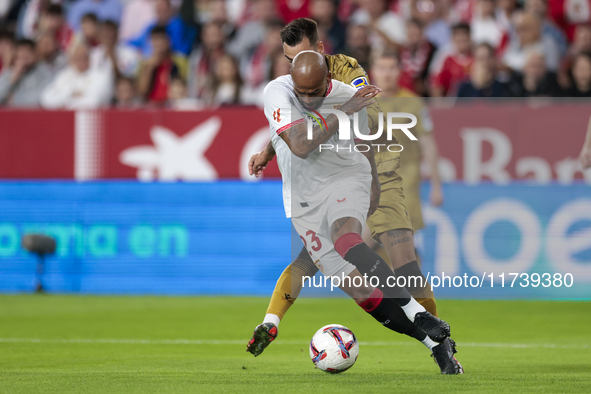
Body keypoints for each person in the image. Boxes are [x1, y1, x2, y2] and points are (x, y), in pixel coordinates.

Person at [246, 19, 459, 371]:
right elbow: (294, 131)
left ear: (320, 50)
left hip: (362, 172)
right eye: (289, 59)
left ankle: (434, 331)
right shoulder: (283, 88)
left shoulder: (349, 79)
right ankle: (430, 338)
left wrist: (375, 181)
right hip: (308, 190)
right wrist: (269, 152)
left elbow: (368, 130)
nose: (296, 66)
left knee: (403, 265)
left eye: (302, 56)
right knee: (352, 286)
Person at [40, 43, 112, 109]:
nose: (80, 61)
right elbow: (46, 99)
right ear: (72, 59)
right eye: (77, 58)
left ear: (89, 58)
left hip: (89, 119)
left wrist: (65, 102)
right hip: (65, 118)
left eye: (84, 57)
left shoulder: (99, 76)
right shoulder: (64, 76)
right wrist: (70, 93)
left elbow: (94, 102)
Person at [136, 26, 188, 104]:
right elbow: (142, 92)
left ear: (168, 41)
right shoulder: (145, 63)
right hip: (151, 106)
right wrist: (150, 68)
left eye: (161, 39)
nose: (159, 43)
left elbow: (184, 87)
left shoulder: (180, 61)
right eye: (155, 40)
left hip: (172, 105)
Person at [128, 0, 197, 57]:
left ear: (170, 10)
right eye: (159, 10)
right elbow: (136, 41)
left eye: (164, 10)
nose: (161, 13)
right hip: (149, 59)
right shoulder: (151, 26)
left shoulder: (178, 26)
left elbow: (182, 50)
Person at [0, 39, 54, 106]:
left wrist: (14, 99)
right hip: (9, 115)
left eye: (27, 54)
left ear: (35, 54)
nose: (24, 58)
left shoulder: (44, 71)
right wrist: (12, 79)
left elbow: (44, 98)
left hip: (33, 114)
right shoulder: (10, 71)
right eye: (21, 54)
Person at [430, 23, 474, 97]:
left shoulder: (477, 56)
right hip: (452, 104)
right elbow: (436, 85)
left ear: (469, 37)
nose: (462, 40)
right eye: (459, 38)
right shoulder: (445, 58)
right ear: (453, 38)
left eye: (464, 38)